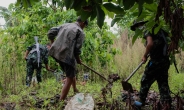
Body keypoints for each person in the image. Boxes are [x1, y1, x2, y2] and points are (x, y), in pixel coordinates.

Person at [131, 21, 172, 108]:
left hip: (156, 62)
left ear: (139, 25)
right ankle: (166, 104)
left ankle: (140, 102)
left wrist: (145, 55)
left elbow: (150, 44)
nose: (137, 30)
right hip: (165, 61)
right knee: (163, 82)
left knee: (145, 80)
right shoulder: (158, 29)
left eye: (136, 27)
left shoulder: (147, 30)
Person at [49, 16, 88, 101]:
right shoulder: (80, 31)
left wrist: (52, 44)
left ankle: (75, 89)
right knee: (69, 77)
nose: (84, 28)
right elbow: (77, 49)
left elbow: (51, 32)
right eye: (84, 25)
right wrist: (78, 59)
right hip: (66, 55)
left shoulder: (65, 25)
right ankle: (61, 100)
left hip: (55, 52)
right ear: (83, 22)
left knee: (71, 70)